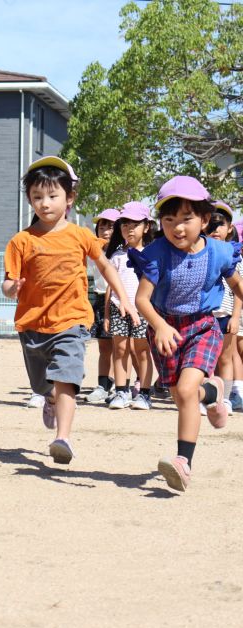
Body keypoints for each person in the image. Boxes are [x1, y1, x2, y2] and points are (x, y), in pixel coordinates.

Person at [2, 156, 139, 465]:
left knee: (67, 377)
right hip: (33, 325)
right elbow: (8, 284)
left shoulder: (80, 236)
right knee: (43, 384)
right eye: (37, 197)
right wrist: (13, 289)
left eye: (52, 196)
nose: (45, 203)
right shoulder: (20, 241)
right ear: (29, 199)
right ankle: (48, 397)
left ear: (69, 198)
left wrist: (125, 300)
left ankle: (62, 438)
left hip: (72, 321)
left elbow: (105, 266)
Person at [130, 176, 243, 492]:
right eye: (169, 220)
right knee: (182, 395)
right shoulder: (156, 253)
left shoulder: (219, 253)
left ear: (204, 219)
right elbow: (141, 299)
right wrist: (160, 326)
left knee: (186, 386)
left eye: (186, 219)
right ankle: (213, 394)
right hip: (165, 328)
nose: (177, 228)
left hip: (202, 327)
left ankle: (183, 462)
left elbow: (236, 286)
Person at [104, 202, 155, 410]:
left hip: (144, 309)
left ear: (147, 226)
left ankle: (144, 393)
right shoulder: (116, 256)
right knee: (120, 349)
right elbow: (110, 287)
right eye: (125, 224)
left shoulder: (153, 254)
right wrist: (107, 313)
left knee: (142, 350)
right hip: (118, 308)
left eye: (135, 224)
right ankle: (121, 391)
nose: (129, 228)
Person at [205, 201, 242, 416]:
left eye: (221, 224)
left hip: (226, 315)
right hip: (204, 316)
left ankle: (226, 399)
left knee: (226, 357)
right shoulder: (201, 253)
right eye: (211, 224)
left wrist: (236, 316)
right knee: (205, 359)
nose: (215, 229)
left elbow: (239, 290)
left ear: (230, 228)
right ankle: (207, 398)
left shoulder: (234, 256)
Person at [84, 208, 119, 403]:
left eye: (111, 226)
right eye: (102, 226)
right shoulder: (95, 249)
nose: (106, 230)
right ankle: (103, 385)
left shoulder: (123, 252)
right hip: (99, 300)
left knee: (123, 348)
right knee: (105, 347)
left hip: (120, 301)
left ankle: (122, 384)